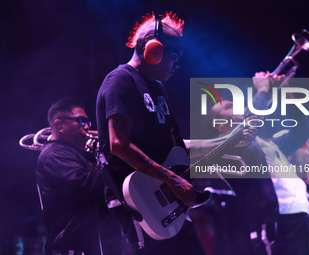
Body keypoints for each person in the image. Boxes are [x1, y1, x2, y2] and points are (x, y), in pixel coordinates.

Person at [96, 12, 257, 255]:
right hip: (137, 205)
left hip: (165, 204)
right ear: (153, 50)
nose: (177, 65)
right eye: (175, 57)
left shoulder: (157, 88)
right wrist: (172, 179)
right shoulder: (120, 81)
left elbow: (177, 148)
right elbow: (118, 144)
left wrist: (226, 141)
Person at [206, 72, 309, 255]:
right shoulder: (225, 146)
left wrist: (287, 92)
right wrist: (263, 90)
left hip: (301, 215)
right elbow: (245, 128)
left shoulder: (269, 144)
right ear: (218, 124)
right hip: (275, 220)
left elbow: (300, 133)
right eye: (229, 107)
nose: (237, 107)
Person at [36, 98, 120, 255]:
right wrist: (110, 154)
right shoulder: (53, 155)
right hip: (72, 249)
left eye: (88, 122)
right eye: (81, 121)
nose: (87, 127)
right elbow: (89, 187)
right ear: (59, 125)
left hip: (92, 246)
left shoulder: (74, 155)